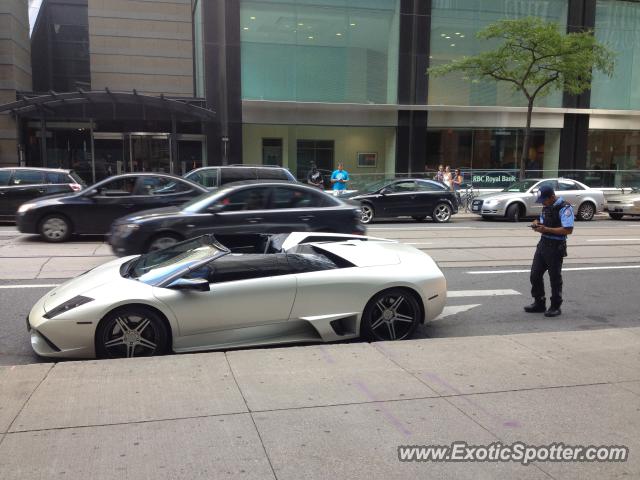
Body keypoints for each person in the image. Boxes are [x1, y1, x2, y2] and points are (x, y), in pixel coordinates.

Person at [524, 185, 574, 317]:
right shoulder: (546, 206)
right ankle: (539, 302)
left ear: (552, 197)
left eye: (544, 200)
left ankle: (555, 306)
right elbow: (541, 220)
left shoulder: (565, 207)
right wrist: (536, 223)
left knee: (555, 277)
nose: (542, 203)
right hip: (543, 244)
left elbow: (568, 229)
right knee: (535, 274)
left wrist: (546, 229)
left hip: (556, 246)